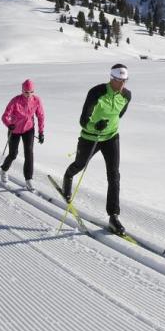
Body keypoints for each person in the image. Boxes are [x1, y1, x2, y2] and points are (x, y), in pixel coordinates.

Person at [62, 63, 132, 234]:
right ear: (111, 78)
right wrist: (95, 125)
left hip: (111, 137)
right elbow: (83, 120)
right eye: (118, 80)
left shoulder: (127, 95)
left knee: (114, 174)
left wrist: (108, 126)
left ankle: (113, 216)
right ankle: (67, 177)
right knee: (80, 165)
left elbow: (119, 115)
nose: (122, 84)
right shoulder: (97, 92)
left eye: (125, 80)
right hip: (90, 137)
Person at [0, 79, 45, 191]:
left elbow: (41, 116)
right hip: (14, 129)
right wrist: (9, 124)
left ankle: (29, 179)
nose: (28, 94)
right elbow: (5, 115)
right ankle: (4, 170)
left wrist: (41, 132)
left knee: (29, 153)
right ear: (22, 90)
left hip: (28, 129)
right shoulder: (15, 101)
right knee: (13, 154)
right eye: (26, 92)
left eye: (31, 92)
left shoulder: (36, 100)